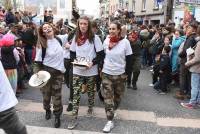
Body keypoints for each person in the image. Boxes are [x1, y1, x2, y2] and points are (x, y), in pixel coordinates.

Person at [67, 16, 104, 129]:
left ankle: (90, 107)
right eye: (81, 24)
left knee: (90, 92)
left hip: (91, 71)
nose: (82, 26)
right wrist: (75, 62)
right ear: (78, 25)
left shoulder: (95, 38)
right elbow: (72, 52)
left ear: (88, 26)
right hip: (78, 70)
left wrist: (92, 63)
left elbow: (101, 55)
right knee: (76, 94)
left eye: (85, 24)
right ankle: (74, 118)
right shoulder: (76, 37)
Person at [34, 22, 68, 128]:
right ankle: (47, 109)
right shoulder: (42, 44)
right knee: (46, 96)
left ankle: (57, 116)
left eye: (49, 27)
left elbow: (73, 33)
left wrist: (77, 18)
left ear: (52, 28)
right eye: (44, 28)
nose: (47, 28)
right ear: (43, 32)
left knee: (57, 96)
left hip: (58, 74)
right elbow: (37, 63)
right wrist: (37, 74)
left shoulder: (59, 39)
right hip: (46, 74)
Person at [101, 21, 132, 133]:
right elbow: (103, 56)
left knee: (118, 97)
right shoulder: (106, 41)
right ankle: (109, 121)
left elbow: (129, 60)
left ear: (119, 30)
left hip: (120, 75)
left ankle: (113, 110)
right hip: (107, 73)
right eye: (110, 29)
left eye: (114, 29)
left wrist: (127, 74)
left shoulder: (125, 42)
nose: (111, 31)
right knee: (108, 98)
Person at [0, 60, 27, 134]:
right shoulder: (14, 50)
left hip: (6, 70)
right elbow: (17, 59)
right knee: (19, 130)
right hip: (3, 105)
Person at [181, 25, 200, 109]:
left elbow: (197, 58)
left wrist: (187, 63)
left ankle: (192, 103)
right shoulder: (197, 41)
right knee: (198, 86)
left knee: (195, 86)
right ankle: (198, 102)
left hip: (196, 68)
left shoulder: (199, 43)